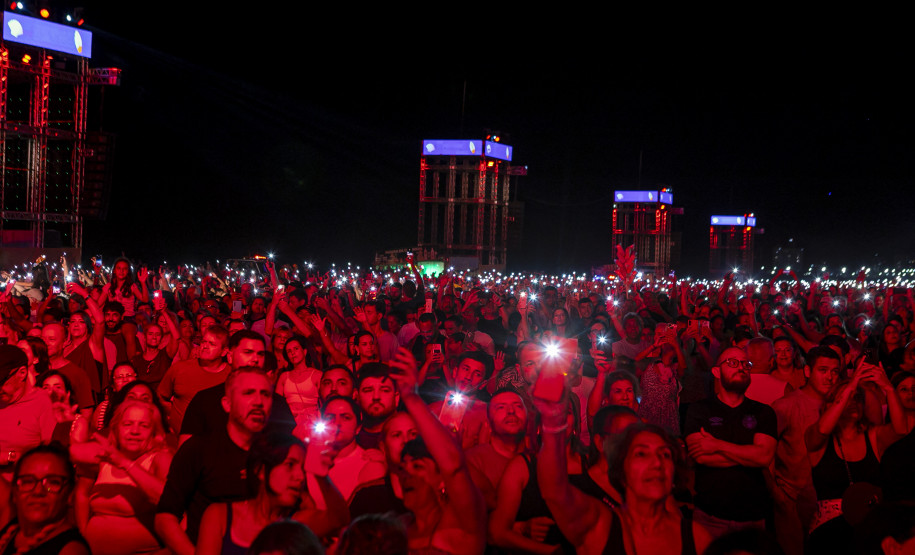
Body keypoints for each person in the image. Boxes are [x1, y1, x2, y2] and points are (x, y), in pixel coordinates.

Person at [536, 388, 712, 554]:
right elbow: (554, 491)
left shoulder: (697, 536)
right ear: (622, 466)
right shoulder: (601, 526)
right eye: (641, 454)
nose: (657, 463)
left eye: (665, 454)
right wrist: (552, 420)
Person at [155, 366, 273, 554]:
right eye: (248, 393)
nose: (258, 401)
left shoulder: (279, 453)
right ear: (227, 404)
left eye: (265, 394)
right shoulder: (198, 450)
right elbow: (165, 518)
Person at [387, 347, 487, 555]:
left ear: (483, 382)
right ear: (455, 370)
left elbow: (456, 468)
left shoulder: (487, 412)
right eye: (466, 369)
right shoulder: (431, 409)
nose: (468, 377)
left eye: (477, 373)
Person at [805, 362, 904, 553]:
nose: (853, 402)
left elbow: (900, 430)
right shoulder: (817, 437)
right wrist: (850, 386)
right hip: (829, 534)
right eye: (847, 398)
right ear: (832, 404)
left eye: (857, 398)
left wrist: (889, 388)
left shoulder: (873, 436)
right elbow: (823, 429)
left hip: (869, 529)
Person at [196, 433, 347, 554]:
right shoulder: (220, 516)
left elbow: (339, 519)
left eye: (302, 468)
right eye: (290, 465)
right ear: (260, 470)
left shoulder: (297, 523)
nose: (300, 477)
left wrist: (320, 474)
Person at [684, 347, 777, 538]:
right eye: (733, 363)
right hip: (709, 516)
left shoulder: (764, 412)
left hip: (753, 516)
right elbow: (701, 456)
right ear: (717, 371)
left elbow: (764, 457)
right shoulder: (699, 409)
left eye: (745, 364)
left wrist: (717, 445)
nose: (741, 368)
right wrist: (750, 455)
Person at [770, 346, 843, 555]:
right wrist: (777, 494)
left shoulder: (841, 405)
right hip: (793, 499)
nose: (829, 377)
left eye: (835, 371)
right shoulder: (786, 406)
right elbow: (765, 453)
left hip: (831, 502)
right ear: (808, 371)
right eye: (823, 370)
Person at [75, 400, 172, 555]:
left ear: (153, 432)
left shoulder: (160, 459)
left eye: (144, 425)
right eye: (127, 424)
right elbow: (82, 495)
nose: (135, 431)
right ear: (116, 428)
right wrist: (82, 535)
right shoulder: (104, 457)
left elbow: (169, 500)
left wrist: (124, 463)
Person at [0, 444, 89, 554]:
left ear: (70, 494)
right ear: (14, 493)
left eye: (53, 482)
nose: (38, 491)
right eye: (28, 481)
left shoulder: (71, 550)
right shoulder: (10, 532)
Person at [156, 325, 230, 433]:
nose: (205, 346)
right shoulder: (179, 369)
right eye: (204, 342)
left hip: (214, 442)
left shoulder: (231, 376)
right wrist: (172, 413)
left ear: (224, 351)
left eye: (212, 344)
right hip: (179, 441)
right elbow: (160, 396)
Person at [0, 345, 55, 482]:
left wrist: (11, 457)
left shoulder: (41, 402)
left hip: (24, 484)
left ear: (22, 373)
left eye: (1, 381)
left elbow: (51, 454)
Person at [276, 335, 321, 432]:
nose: (292, 353)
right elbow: (277, 404)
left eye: (296, 349)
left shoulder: (317, 375)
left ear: (304, 352)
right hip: (289, 423)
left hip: (313, 424)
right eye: (289, 351)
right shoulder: (284, 377)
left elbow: (323, 403)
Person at [354, 362, 400, 449]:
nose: (376, 397)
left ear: (396, 398)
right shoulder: (348, 439)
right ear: (357, 397)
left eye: (385, 390)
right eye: (368, 390)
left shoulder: (412, 439)